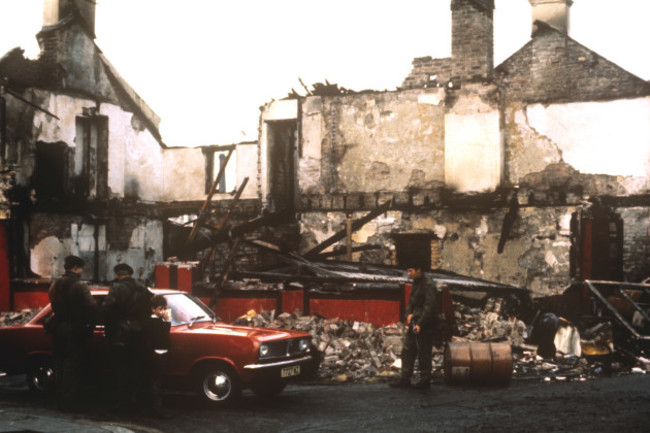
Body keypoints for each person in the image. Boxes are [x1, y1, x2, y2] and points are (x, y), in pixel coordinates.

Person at [47, 255, 98, 411]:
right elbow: (92, 307)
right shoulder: (80, 286)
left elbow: (53, 304)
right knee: (72, 366)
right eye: (80, 268)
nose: (81, 271)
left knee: (59, 364)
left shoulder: (54, 285)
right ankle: (68, 402)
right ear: (76, 268)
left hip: (58, 329)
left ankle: (58, 399)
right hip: (75, 329)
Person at [101, 263, 152, 410]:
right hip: (139, 332)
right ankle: (135, 398)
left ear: (118, 275)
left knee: (121, 367)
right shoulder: (142, 288)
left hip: (121, 332)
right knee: (135, 365)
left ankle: (122, 400)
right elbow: (151, 305)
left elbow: (106, 309)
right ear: (130, 274)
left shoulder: (116, 288)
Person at [389, 262, 438, 390]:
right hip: (414, 323)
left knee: (423, 353)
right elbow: (411, 302)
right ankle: (405, 379)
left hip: (425, 325)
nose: (408, 274)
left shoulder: (428, 284)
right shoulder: (416, 283)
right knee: (407, 350)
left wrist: (421, 323)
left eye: (411, 271)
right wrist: (409, 314)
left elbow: (430, 307)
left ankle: (425, 381)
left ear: (418, 270)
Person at [146, 295, 171, 417]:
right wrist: (167, 322)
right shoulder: (153, 322)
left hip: (161, 352)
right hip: (157, 352)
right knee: (157, 382)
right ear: (153, 309)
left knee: (159, 381)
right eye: (160, 309)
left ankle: (158, 408)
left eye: (164, 308)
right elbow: (162, 337)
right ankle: (157, 410)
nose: (163, 311)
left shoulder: (157, 320)